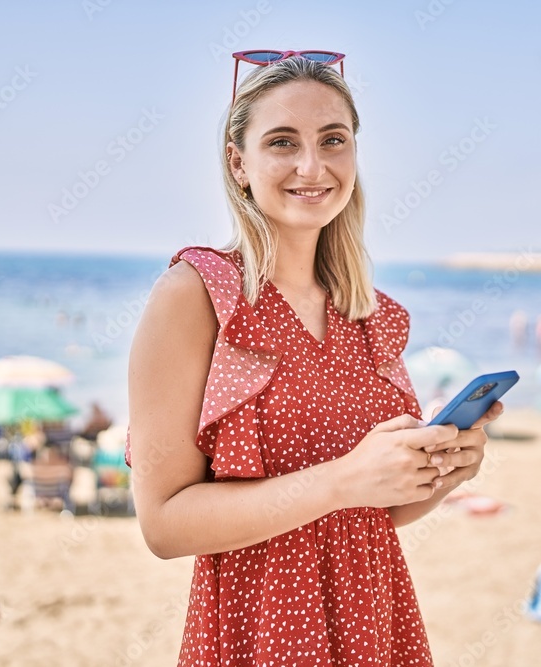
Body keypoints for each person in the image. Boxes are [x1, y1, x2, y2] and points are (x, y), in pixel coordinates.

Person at [126, 52, 504, 666]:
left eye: (334, 140)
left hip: (375, 619)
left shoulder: (371, 313)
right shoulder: (198, 294)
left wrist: (440, 473)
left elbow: (378, 511)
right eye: (282, 142)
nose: (313, 166)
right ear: (237, 163)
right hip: (262, 630)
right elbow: (164, 525)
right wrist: (340, 480)